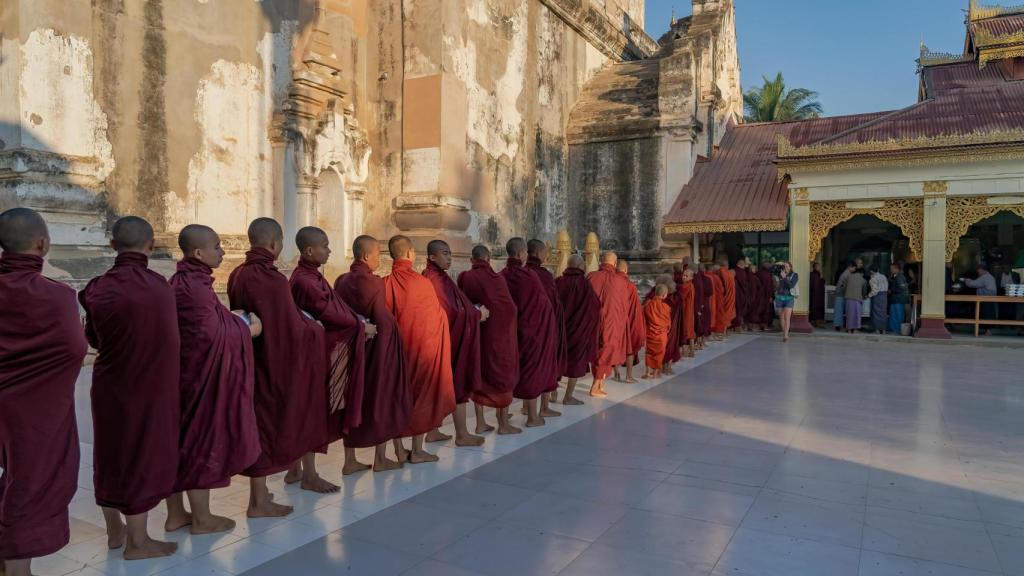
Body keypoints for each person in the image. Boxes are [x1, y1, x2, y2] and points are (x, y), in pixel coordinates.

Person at [78, 216, 180, 559]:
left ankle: (114, 532)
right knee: (142, 454)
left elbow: (92, 337)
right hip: (150, 386)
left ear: (112, 247)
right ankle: (138, 541)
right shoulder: (160, 288)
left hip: (109, 383)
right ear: (150, 246)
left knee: (109, 454)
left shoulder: (95, 289)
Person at [0, 208, 89, 576]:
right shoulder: (56, 294)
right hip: (36, 409)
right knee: (31, 483)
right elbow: (75, 349)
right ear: (42, 243)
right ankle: (18, 570)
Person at [227, 218, 329, 517]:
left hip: (251, 359)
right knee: (269, 426)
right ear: (274, 244)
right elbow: (290, 329)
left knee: (258, 424)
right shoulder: (272, 280)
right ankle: (258, 501)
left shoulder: (237, 274)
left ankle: (268, 490)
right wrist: (317, 330)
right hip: (275, 364)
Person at [167, 224, 261, 535]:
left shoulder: (188, 281)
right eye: (217, 247)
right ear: (198, 253)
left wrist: (230, 320)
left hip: (185, 373)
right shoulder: (192, 287)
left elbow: (209, 321)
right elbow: (210, 334)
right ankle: (202, 519)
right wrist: (247, 328)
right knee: (198, 442)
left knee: (181, 442)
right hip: (198, 378)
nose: (222, 252)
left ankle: (177, 514)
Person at [289, 227, 376, 475]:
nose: (329, 250)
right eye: (325, 246)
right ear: (309, 250)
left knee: (314, 409)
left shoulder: (314, 276)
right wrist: (361, 326)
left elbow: (336, 307)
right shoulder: (305, 280)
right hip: (315, 354)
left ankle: (295, 470)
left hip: (322, 350)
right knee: (315, 411)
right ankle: (309, 474)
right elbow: (330, 314)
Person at [334, 235, 411, 469]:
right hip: (378, 349)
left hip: (351, 348)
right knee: (381, 399)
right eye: (378, 253)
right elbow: (383, 319)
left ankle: (349, 461)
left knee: (351, 400)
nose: (380, 258)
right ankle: (380, 458)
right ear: (367, 256)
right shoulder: (375, 282)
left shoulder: (341, 280)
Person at [384, 235, 456, 461]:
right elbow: (436, 319)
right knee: (422, 397)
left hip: (396, 352)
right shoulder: (421, 283)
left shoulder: (385, 282)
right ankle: (416, 450)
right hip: (422, 350)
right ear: (409, 253)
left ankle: (397, 450)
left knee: (396, 397)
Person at [423, 239, 489, 447]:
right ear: (432, 257)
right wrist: (477, 314)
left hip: (449, 337)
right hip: (446, 340)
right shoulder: (434, 278)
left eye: (450, 253)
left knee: (444, 386)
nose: (449, 257)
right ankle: (462, 434)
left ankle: (433, 432)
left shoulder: (440, 276)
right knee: (457, 385)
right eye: (445, 253)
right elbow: (451, 311)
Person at [457, 245, 521, 434]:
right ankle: (503, 424)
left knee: (480, 373)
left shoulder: (464, 277)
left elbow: (463, 302)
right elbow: (509, 308)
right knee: (503, 375)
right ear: (488, 258)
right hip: (500, 336)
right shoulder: (497, 278)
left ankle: (480, 423)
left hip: (478, 333)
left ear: (471, 260)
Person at [502, 237, 561, 426]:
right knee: (533, 370)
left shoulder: (501, 274)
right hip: (534, 329)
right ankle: (533, 416)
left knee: (510, 371)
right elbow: (542, 305)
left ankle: (507, 417)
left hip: (512, 330)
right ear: (521, 254)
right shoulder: (529, 275)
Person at [555, 254, 601, 404]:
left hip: (559, 331)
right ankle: (568, 396)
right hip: (578, 331)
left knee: (555, 360)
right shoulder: (584, 284)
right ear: (581, 266)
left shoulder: (558, 282)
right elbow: (595, 307)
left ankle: (552, 393)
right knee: (575, 362)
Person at [526, 239, 567, 403]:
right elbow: (554, 303)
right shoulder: (544, 275)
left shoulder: (522, 272)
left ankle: (526, 406)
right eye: (545, 252)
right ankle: (543, 407)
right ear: (537, 253)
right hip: (543, 327)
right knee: (544, 365)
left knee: (527, 366)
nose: (546, 255)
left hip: (524, 327)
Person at [587, 251, 629, 397]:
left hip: (592, 321)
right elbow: (624, 306)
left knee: (596, 350)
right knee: (605, 350)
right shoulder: (620, 281)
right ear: (615, 264)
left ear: (600, 261)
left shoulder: (591, 276)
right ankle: (595, 386)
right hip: (611, 322)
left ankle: (599, 383)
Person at [616, 260, 645, 383]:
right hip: (628, 320)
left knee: (615, 346)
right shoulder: (630, 285)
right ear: (626, 270)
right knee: (630, 347)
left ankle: (616, 373)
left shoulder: (611, 281)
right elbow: (634, 308)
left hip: (614, 320)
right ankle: (628, 376)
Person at [642, 284, 672, 378]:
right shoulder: (666, 307)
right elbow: (668, 321)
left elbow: (644, 318)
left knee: (649, 352)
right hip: (661, 334)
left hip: (650, 332)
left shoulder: (648, 304)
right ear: (664, 295)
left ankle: (647, 372)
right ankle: (655, 373)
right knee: (659, 353)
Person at [964, 264, 998, 334]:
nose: (977, 271)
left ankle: (987, 330)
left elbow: (973, 284)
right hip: (990, 299)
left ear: (981, 270)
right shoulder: (990, 276)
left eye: (978, 270)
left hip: (985, 299)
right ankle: (987, 330)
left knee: (986, 315)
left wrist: (967, 280)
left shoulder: (984, 277)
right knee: (988, 315)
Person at [775, 262, 798, 342]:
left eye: (787, 266)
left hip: (789, 297)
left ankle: (785, 335)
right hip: (779, 297)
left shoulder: (794, 275)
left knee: (787, 317)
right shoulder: (780, 273)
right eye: (784, 266)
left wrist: (784, 278)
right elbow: (771, 269)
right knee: (781, 317)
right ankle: (784, 332)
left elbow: (791, 285)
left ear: (791, 267)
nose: (786, 267)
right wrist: (776, 264)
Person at [843, 262, 867, 333]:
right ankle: (856, 329)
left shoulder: (849, 276)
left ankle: (849, 329)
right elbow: (864, 291)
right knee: (856, 315)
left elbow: (844, 287)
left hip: (848, 298)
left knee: (849, 314)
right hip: (857, 299)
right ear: (862, 273)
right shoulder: (863, 280)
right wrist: (863, 296)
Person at [888, 263, 910, 334]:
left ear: (897, 269)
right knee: (895, 315)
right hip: (896, 299)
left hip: (898, 299)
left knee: (897, 315)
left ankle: (896, 330)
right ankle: (895, 329)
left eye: (892, 269)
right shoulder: (896, 276)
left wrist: (891, 291)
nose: (891, 270)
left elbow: (901, 289)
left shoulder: (900, 277)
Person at [716, 259, 737, 333]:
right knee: (725, 314)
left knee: (723, 314)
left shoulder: (720, 272)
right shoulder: (729, 274)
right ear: (727, 266)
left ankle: (722, 332)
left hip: (724, 296)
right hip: (729, 296)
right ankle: (723, 331)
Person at [867, 265, 889, 335]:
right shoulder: (883, 276)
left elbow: (874, 291)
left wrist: (868, 295)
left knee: (876, 313)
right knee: (883, 313)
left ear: (871, 271)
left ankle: (877, 330)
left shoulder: (873, 279)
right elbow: (887, 286)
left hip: (877, 296)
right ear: (878, 270)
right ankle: (884, 330)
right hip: (884, 296)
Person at [834, 261, 855, 332]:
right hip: (840, 293)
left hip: (841, 293)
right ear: (850, 267)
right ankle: (837, 325)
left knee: (839, 310)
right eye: (854, 268)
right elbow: (845, 286)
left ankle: (839, 325)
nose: (854, 269)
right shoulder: (847, 274)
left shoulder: (847, 273)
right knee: (839, 310)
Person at [680, 268, 697, 357]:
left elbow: (681, 297)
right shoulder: (691, 285)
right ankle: (692, 351)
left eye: (686, 276)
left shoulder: (686, 286)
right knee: (690, 331)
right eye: (683, 275)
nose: (683, 277)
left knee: (684, 330)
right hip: (690, 311)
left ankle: (684, 351)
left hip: (685, 311)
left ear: (691, 277)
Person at [732, 258, 750, 332]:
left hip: (736, 293)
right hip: (740, 294)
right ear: (741, 264)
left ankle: (737, 325)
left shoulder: (736, 271)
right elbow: (744, 283)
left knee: (737, 309)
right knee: (739, 310)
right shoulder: (740, 272)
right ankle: (737, 326)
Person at [809, 262, 825, 326]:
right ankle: (813, 320)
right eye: (817, 266)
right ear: (814, 267)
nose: (819, 268)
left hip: (818, 294)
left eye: (819, 267)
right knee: (813, 307)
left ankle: (816, 320)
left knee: (817, 307)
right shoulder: (812, 274)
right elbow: (813, 284)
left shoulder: (818, 274)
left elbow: (821, 282)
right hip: (814, 294)